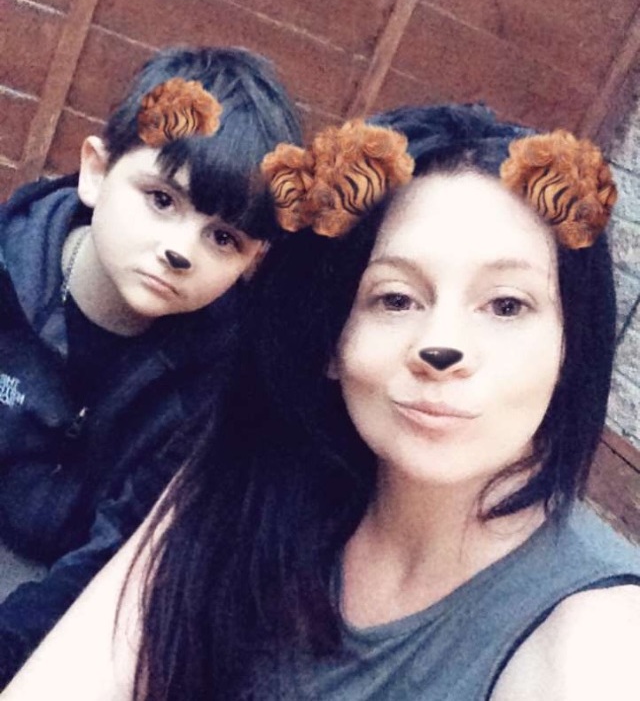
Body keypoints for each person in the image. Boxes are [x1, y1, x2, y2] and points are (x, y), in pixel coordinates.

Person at [5, 104, 640, 700]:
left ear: (572, 344)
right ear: (331, 339)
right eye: (395, 299)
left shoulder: (596, 640)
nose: (442, 348)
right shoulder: (249, 485)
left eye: (506, 305)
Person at [0, 44, 302, 684]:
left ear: (251, 261)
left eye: (223, 237)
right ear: (96, 172)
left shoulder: (223, 380)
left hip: (76, 617)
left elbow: (121, 554)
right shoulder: (7, 275)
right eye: (162, 200)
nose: (181, 251)